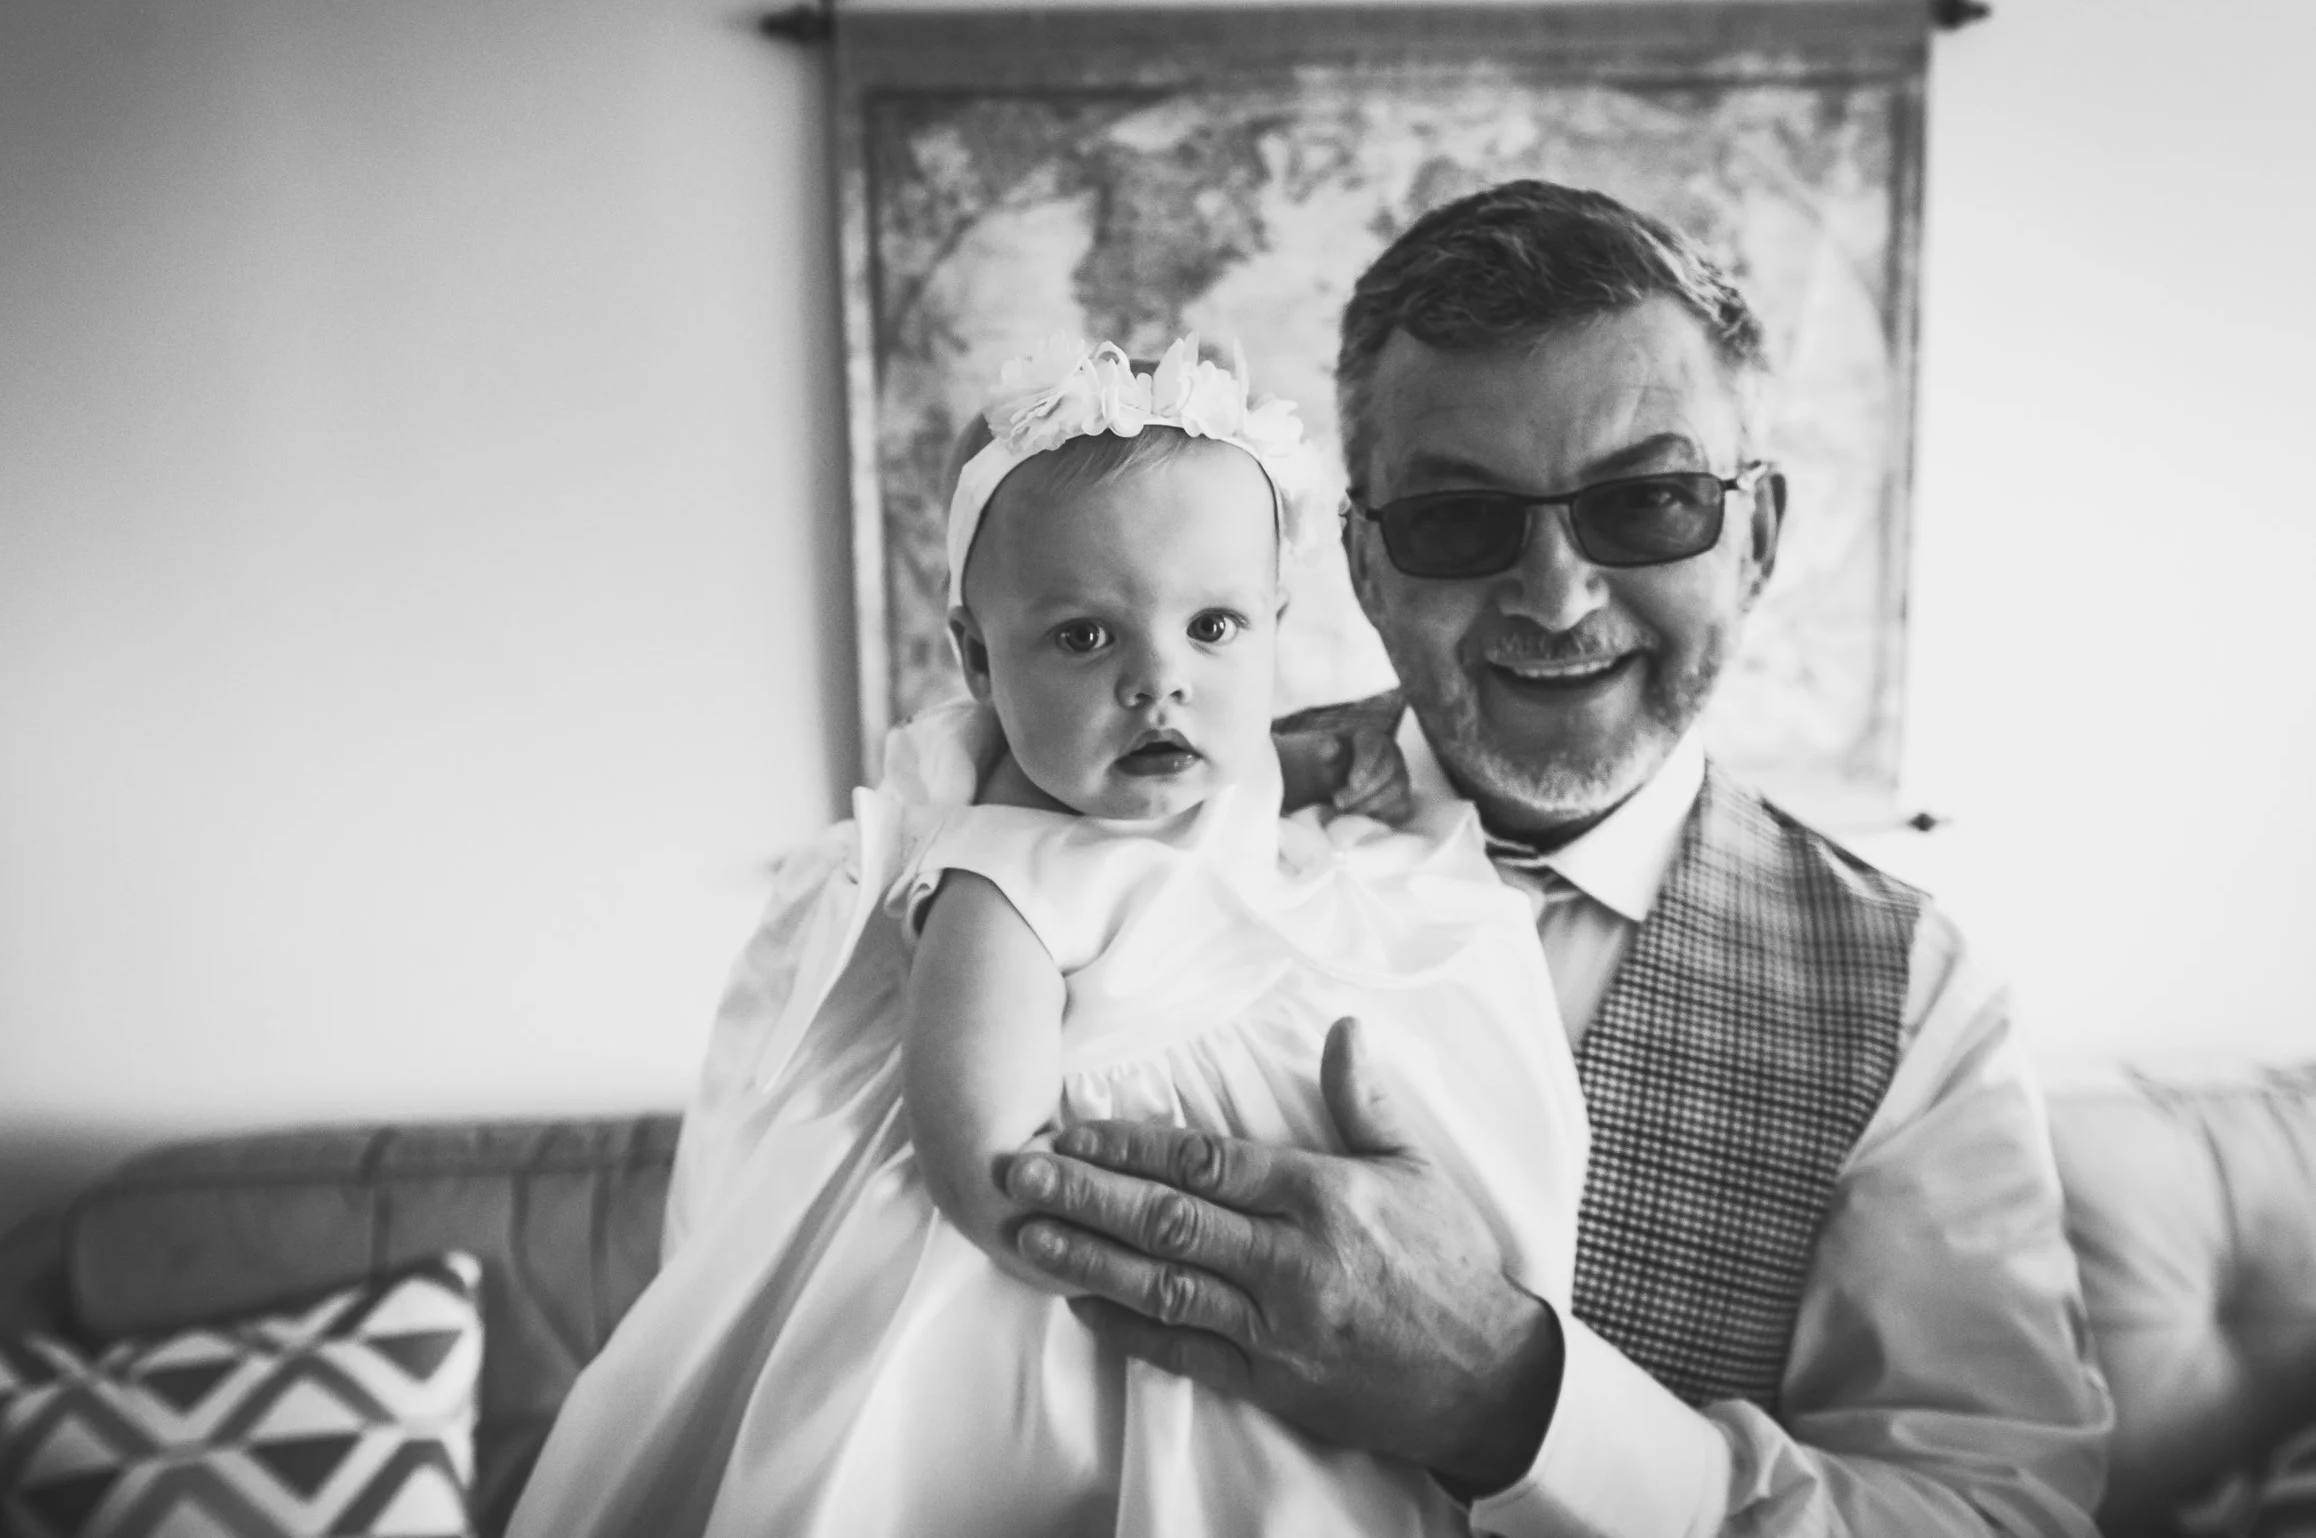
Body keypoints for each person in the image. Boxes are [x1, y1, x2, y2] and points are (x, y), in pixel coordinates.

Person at [994, 182, 2116, 1535]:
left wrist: (1501, 1395)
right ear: (1363, 562)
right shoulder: (1094, 840)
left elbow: (1999, 1512)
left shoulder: (1915, 999)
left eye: (1646, 502)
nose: (1557, 593)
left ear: (1755, 536)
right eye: (1462, 521)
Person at [507, 334, 1588, 1536]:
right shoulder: (1003, 878)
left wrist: (1306, 756)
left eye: (1215, 627)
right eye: (1084, 637)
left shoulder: (1205, 772)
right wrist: (1184, 1278)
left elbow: (1226, 784)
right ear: (979, 658)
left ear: (1277, 623)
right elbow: (986, 1160)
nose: (1158, 682)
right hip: (1117, 1329)